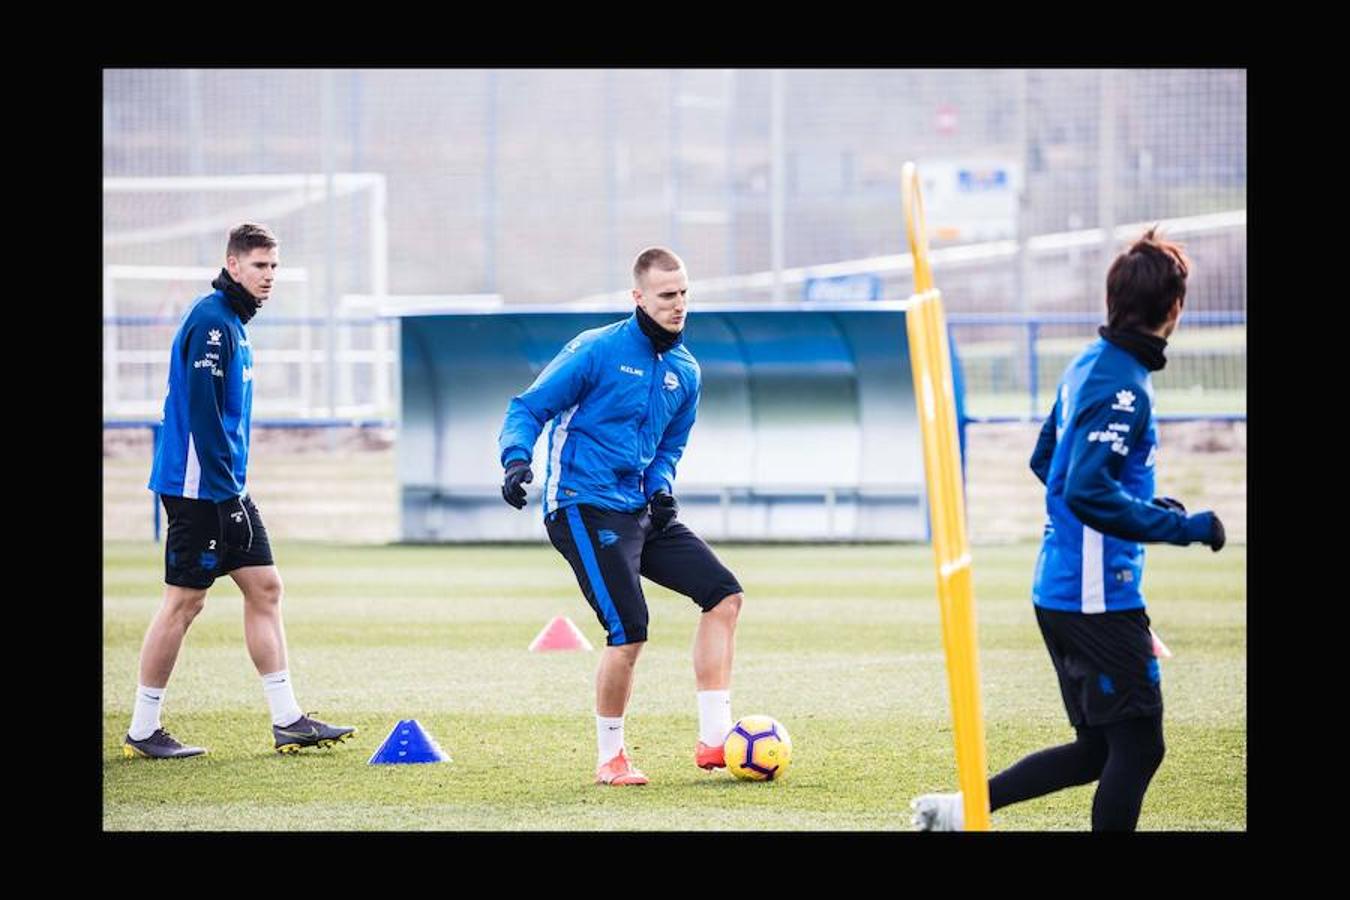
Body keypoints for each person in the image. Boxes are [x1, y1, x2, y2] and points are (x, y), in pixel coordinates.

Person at [910, 228, 1226, 830]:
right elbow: (1083, 489)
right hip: (1095, 596)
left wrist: (1138, 501)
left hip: (1069, 587)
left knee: (1099, 751)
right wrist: (1182, 526)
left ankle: (960, 811)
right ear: (1174, 308)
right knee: (1138, 747)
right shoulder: (1124, 386)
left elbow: (1046, 461)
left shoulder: (1089, 363)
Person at [498, 247, 745, 785]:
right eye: (666, 296)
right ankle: (610, 758)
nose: (678, 305)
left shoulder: (686, 370)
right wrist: (517, 459)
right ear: (638, 297)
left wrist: (661, 489)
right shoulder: (596, 350)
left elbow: (668, 448)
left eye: (683, 294)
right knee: (629, 631)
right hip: (582, 506)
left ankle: (714, 739)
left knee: (724, 596)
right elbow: (527, 408)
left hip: (641, 510)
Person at [125, 223, 356, 759]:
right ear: (233, 266)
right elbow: (204, 417)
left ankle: (288, 718)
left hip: (226, 487)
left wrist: (233, 491)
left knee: (266, 588)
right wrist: (226, 497)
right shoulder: (211, 322)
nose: (269, 276)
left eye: (274, 266)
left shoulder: (233, 321)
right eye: (259, 266)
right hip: (200, 490)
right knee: (184, 602)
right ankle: (143, 726)